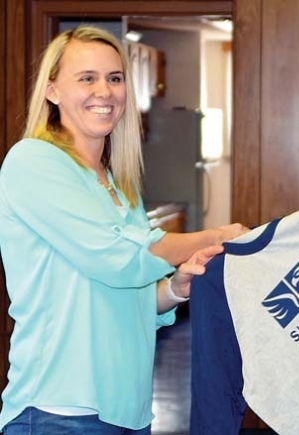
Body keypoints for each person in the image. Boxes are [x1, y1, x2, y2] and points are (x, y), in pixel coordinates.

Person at [0, 25, 247, 435]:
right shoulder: (33, 162)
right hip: (57, 412)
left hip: (128, 413)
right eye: (87, 78)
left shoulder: (117, 185)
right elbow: (119, 261)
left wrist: (175, 289)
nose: (105, 91)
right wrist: (211, 236)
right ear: (52, 90)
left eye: (115, 78)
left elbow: (125, 299)